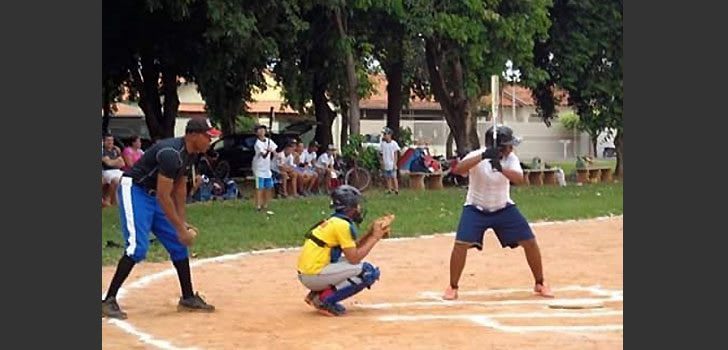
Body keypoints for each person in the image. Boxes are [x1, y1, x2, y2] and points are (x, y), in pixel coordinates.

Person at [101, 118, 221, 319]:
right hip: (135, 190)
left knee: (177, 243)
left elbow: (180, 188)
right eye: (207, 137)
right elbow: (164, 196)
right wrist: (181, 230)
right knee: (137, 248)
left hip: (154, 194)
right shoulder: (171, 154)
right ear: (193, 135)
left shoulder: (191, 154)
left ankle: (188, 297)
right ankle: (108, 300)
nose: (210, 141)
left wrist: (181, 223)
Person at [442, 125, 554, 300]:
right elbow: (459, 170)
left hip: (503, 208)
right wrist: (484, 156)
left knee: (529, 241)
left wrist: (501, 168)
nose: (511, 148)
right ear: (498, 146)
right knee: (461, 244)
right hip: (475, 208)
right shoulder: (477, 155)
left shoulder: (510, 159)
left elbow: (519, 179)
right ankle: (452, 286)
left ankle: (540, 282)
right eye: (508, 145)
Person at [296, 185, 389, 316]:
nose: (359, 208)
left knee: (356, 267)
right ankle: (324, 300)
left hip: (310, 272)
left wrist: (370, 233)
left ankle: (316, 295)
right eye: (356, 205)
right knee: (367, 272)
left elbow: (353, 249)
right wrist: (375, 237)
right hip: (313, 274)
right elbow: (354, 258)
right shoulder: (342, 225)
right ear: (349, 208)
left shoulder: (335, 221)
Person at [252, 125, 277, 212]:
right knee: (260, 187)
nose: (262, 131)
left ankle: (265, 204)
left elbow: (274, 150)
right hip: (259, 168)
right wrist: (268, 151)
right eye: (260, 130)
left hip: (267, 168)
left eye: (263, 130)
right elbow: (264, 155)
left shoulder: (269, 141)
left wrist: (276, 155)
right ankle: (258, 205)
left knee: (269, 187)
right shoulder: (258, 144)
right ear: (256, 133)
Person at [102, 134, 125, 206]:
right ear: (104, 141)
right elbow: (108, 163)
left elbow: (122, 164)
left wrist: (113, 161)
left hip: (117, 171)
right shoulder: (103, 151)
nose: (110, 142)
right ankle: (108, 199)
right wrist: (117, 161)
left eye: (111, 140)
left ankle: (118, 201)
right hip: (107, 171)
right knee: (116, 180)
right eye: (108, 140)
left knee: (127, 179)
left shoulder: (115, 150)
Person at [378, 127, 401, 195]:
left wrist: (394, 163)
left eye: (386, 134)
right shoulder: (383, 144)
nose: (384, 136)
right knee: (387, 177)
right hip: (386, 163)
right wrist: (382, 162)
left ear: (389, 135)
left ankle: (396, 189)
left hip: (392, 163)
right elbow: (381, 153)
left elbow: (395, 154)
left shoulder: (394, 143)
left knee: (393, 176)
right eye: (384, 134)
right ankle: (389, 189)